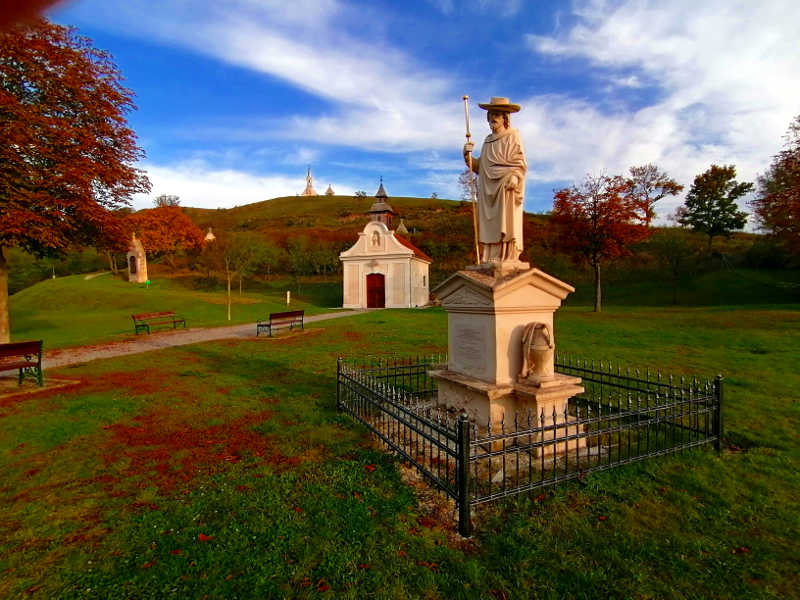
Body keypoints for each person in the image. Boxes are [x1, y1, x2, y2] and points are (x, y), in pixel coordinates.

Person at [463, 97, 527, 263]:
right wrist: (467, 156)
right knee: (488, 223)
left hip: (506, 185)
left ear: (505, 117)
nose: (493, 118)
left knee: (505, 222)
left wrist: (514, 176)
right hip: (487, 188)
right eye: (491, 114)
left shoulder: (513, 136)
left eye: (497, 114)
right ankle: (490, 256)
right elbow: (480, 167)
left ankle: (507, 256)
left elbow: (519, 163)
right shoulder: (487, 141)